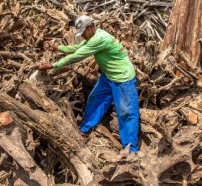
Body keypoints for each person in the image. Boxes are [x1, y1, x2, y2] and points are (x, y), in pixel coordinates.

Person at [37, 15, 140, 152]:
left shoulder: (99, 39)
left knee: (127, 112)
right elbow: (77, 48)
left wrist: (53, 65)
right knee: (95, 99)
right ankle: (85, 129)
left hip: (123, 78)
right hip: (109, 76)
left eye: (83, 32)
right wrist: (57, 48)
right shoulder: (93, 36)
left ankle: (131, 149)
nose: (83, 36)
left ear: (91, 27)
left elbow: (77, 56)